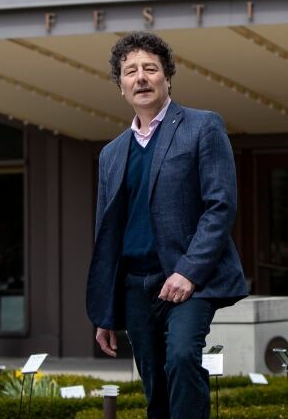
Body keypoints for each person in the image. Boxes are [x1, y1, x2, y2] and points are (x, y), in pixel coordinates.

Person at [86, 31, 248, 418]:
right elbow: (106, 238)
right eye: (130, 71)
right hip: (134, 286)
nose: (140, 77)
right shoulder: (111, 154)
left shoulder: (202, 126)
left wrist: (188, 273)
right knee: (154, 385)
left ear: (167, 77)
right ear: (121, 86)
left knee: (181, 357)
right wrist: (106, 313)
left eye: (150, 68)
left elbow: (220, 206)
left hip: (187, 282)